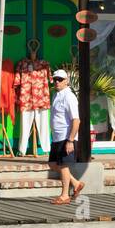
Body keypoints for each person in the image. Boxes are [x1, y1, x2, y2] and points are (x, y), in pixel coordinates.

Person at [49, 69, 85, 204]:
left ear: (66, 81)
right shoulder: (56, 94)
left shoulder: (69, 96)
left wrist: (70, 140)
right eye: (55, 79)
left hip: (65, 136)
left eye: (60, 79)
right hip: (57, 137)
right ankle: (76, 183)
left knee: (63, 165)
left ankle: (65, 195)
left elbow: (76, 120)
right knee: (52, 164)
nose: (57, 82)